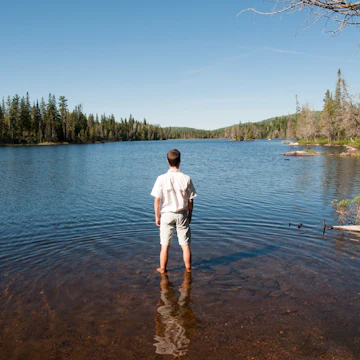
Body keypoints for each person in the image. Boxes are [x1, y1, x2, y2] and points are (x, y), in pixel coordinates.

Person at [151, 149, 197, 273]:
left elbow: (157, 200)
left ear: (167, 161)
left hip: (166, 214)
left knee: (165, 245)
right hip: (182, 213)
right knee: (185, 244)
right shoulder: (186, 178)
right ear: (179, 161)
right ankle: (188, 269)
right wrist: (190, 215)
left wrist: (157, 216)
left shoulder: (161, 178)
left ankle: (162, 269)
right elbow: (190, 200)